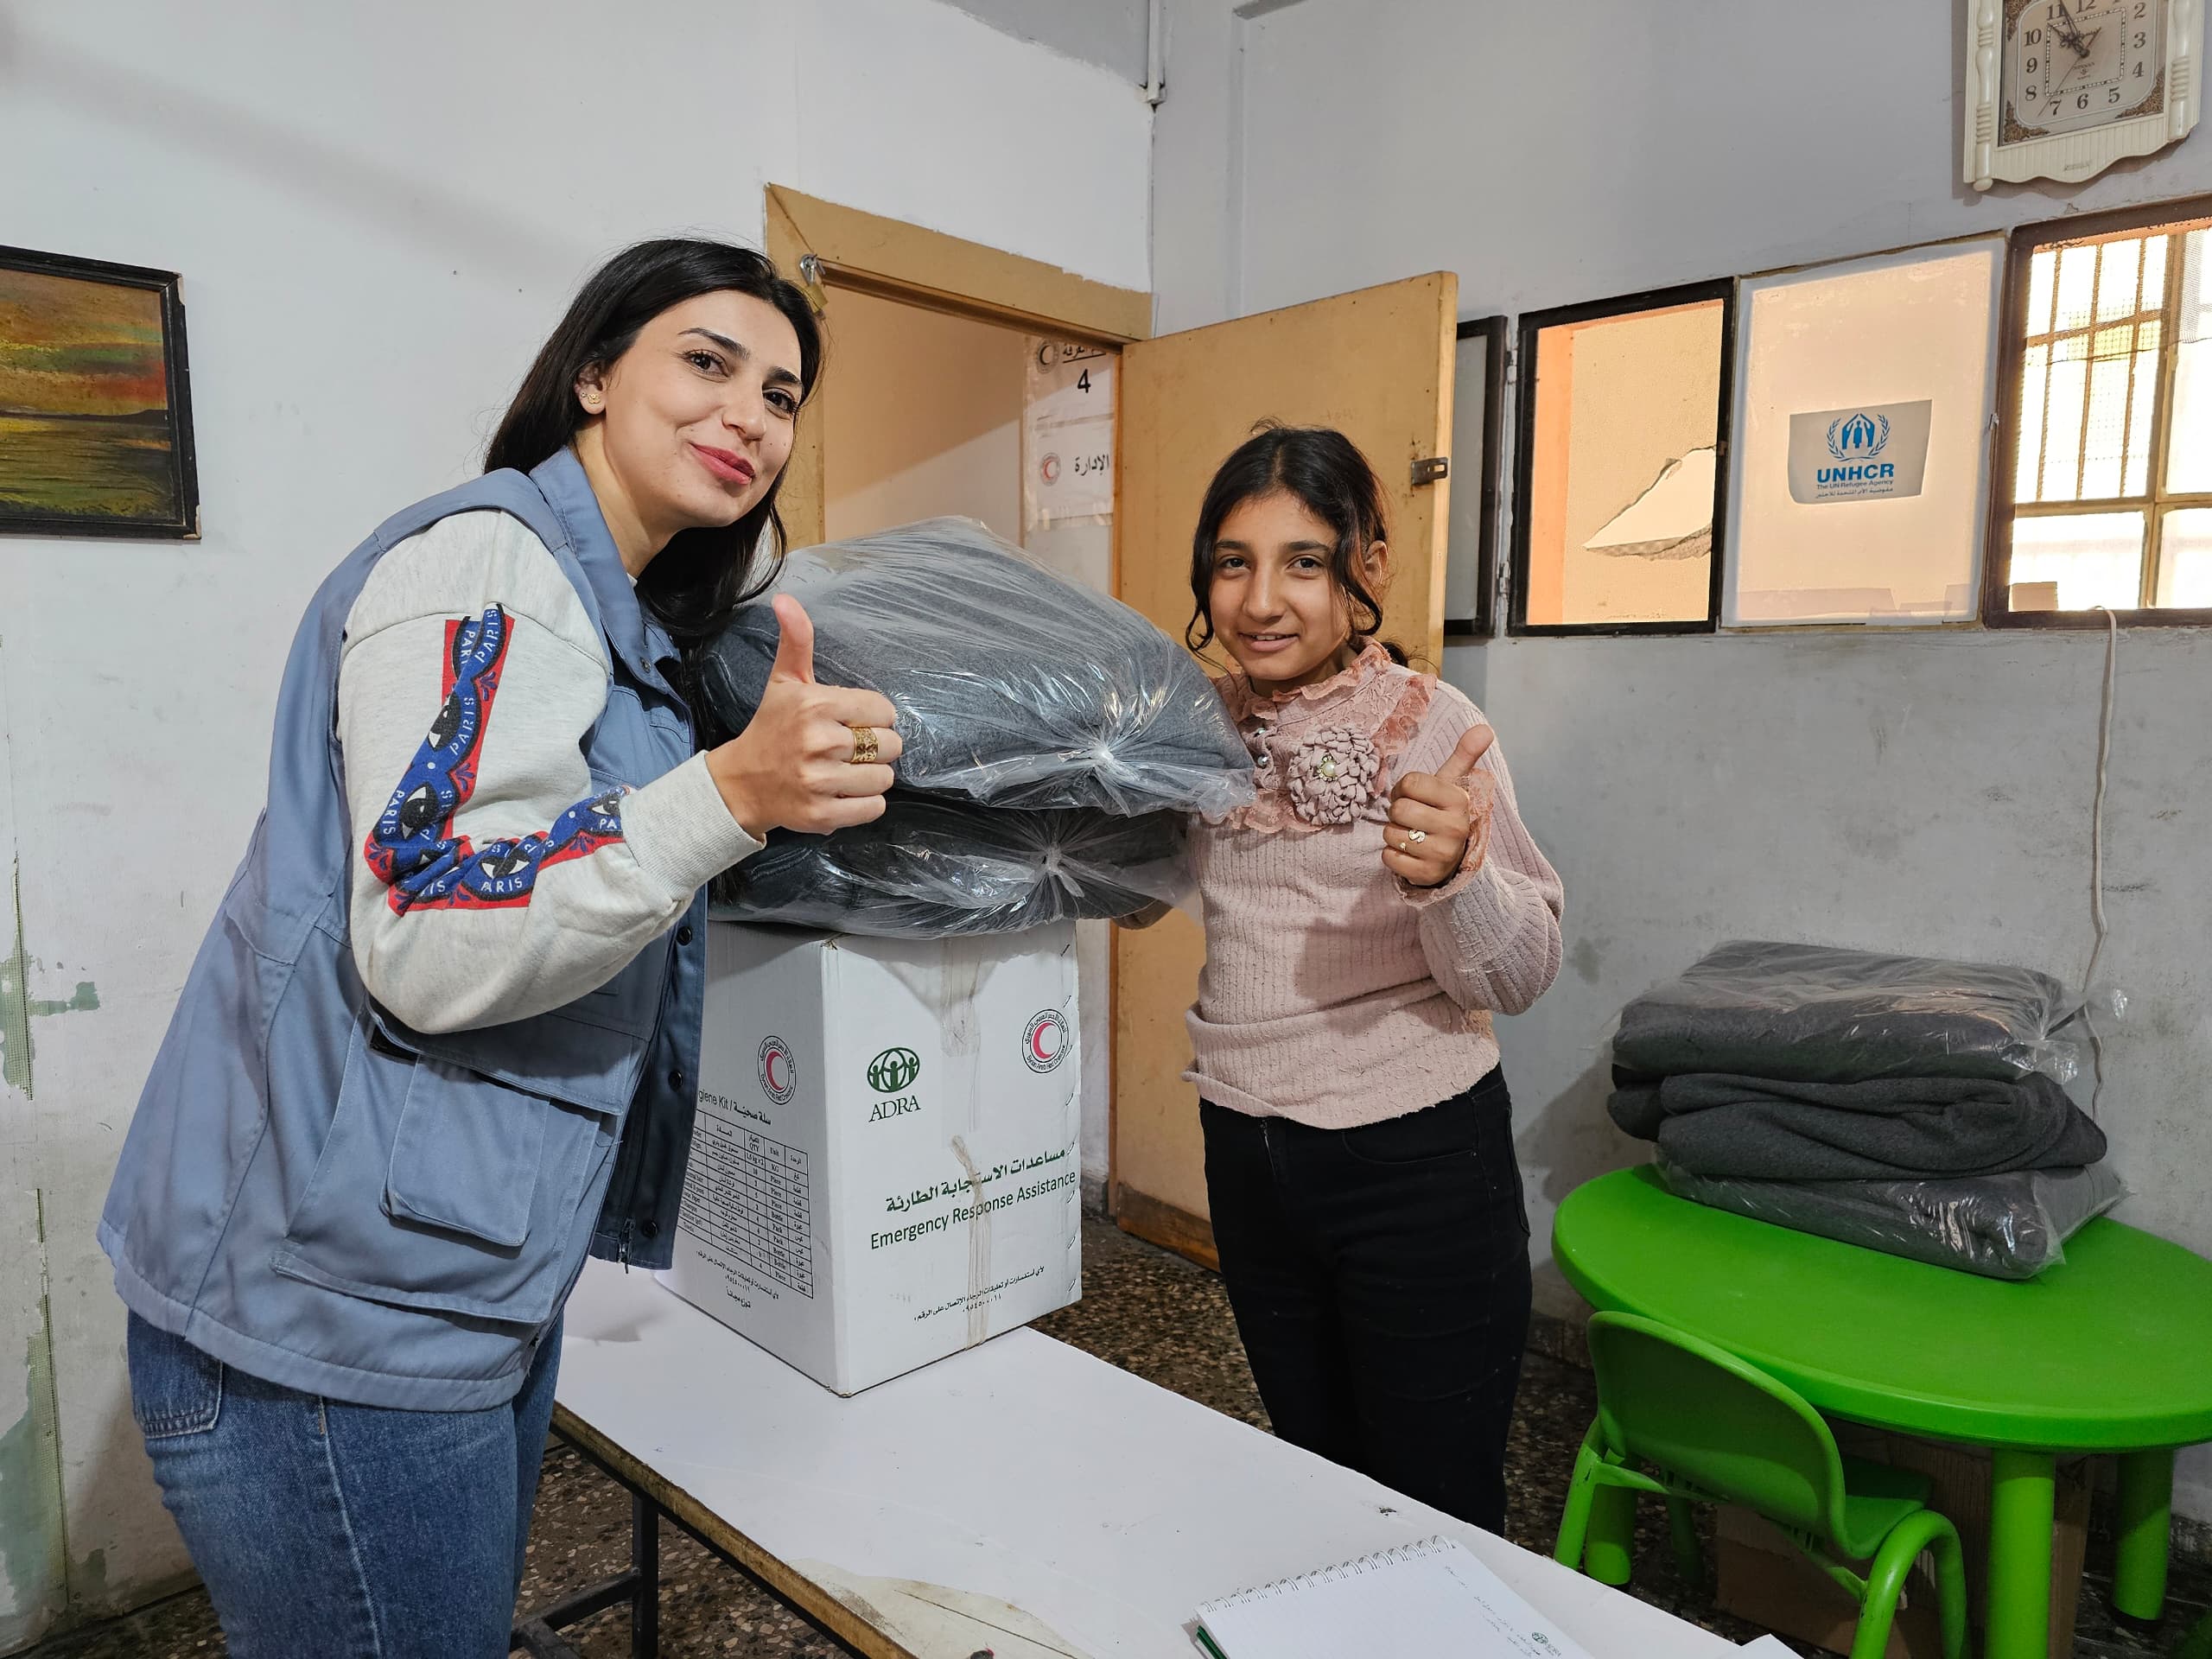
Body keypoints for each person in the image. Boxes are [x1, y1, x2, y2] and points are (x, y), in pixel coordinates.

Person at [98, 239, 899, 1657]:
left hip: (416, 1297)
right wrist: (723, 797)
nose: (749, 419)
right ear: (594, 374)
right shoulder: (493, 570)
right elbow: (426, 922)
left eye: (781, 395)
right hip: (334, 1335)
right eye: (705, 364)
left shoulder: (611, 617)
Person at [1181, 424, 1564, 1533]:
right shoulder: (1196, 725)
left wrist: (1455, 879)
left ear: (1368, 571)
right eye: (1232, 561)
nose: (1260, 599)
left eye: (1303, 561)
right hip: (1246, 1150)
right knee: (1319, 1481)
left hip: (1416, 1163)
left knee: (1436, 1503)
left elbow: (1525, 969)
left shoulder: (1436, 728)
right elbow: (1126, 876)